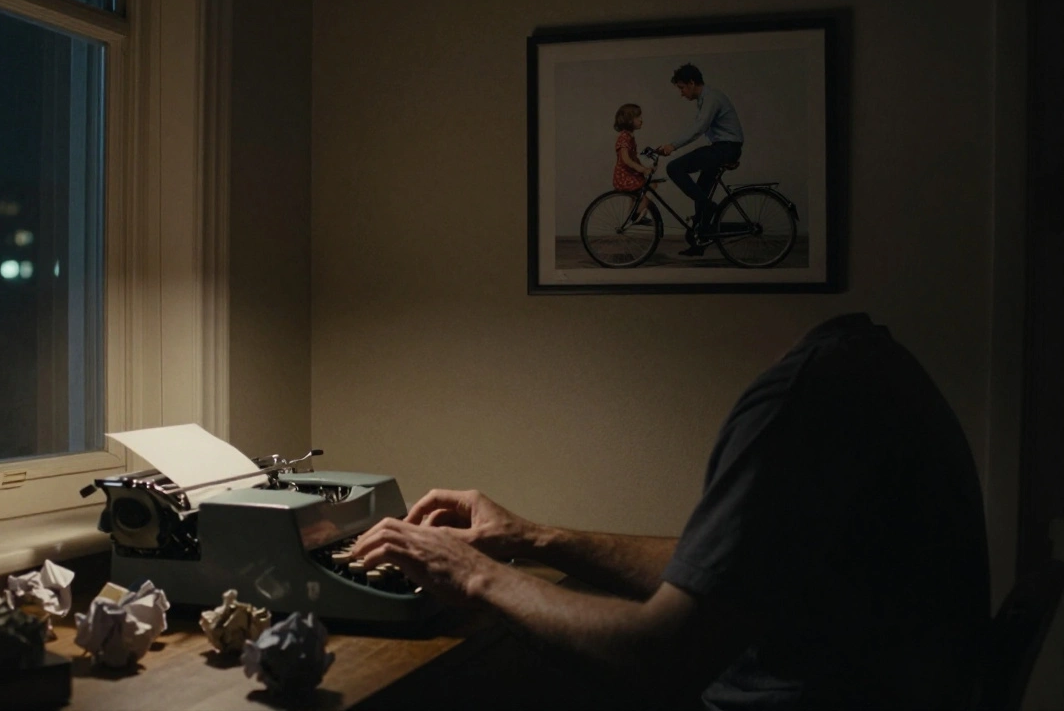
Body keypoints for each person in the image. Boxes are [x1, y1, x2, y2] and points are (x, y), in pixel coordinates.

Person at [352, 313, 991, 709]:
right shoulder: (866, 368)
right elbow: (722, 577)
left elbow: (662, 653)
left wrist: (475, 575)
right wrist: (535, 538)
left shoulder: (804, 399)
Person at [656, 64, 745, 257]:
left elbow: (699, 127)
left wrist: (673, 145)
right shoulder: (706, 98)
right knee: (701, 191)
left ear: (691, 83)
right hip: (724, 148)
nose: (681, 93)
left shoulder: (711, 98)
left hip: (725, 148)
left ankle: (708, 207)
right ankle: (700, 242)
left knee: (674, 167)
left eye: (681, 88)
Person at [611, 103, 658, 226]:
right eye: (638, 117)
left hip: (630, 173)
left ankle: (634, 213)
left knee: (644, 189)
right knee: (651, 185)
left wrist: (646, 168)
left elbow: (634, 158)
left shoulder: (629, 137)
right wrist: (642, 170)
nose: (641, 119)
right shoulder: (624, 138)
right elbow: (626, 160)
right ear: (628, 120)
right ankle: (636, 215)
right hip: (624, 176)